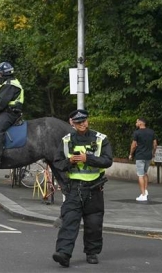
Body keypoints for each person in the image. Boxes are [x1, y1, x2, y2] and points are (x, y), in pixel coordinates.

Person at [52, 109, 113, 267]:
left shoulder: (101, 139)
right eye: (78, 122)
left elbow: (107, 161)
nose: (82, 124)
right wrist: (70, 161)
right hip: (75, 188)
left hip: (94, 188)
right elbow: (57, 163)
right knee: (69, 221)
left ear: (88, 120)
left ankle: (92, 253)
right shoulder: (66, 141)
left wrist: (88, 158)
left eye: (84, 121)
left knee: (94, 223)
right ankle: (63, 253)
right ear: (72, 123)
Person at [0, 61, 23, 168]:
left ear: (5, 74)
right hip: (6, 111)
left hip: (10, 113)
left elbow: (2, 102)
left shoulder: (10, 85)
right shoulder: (8, 83)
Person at [129, 117, 157, 202]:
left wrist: (130, 154)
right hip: (148, 156)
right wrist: (153, 153)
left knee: (140, 175)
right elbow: (155, 144)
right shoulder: (151, 132)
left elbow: (133, 145)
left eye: (137, 122)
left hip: (140, 156)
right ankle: (145, 190)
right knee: (145, 173)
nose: (136, 123)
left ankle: (143, 195)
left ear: (140, 123)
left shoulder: (136, 133)